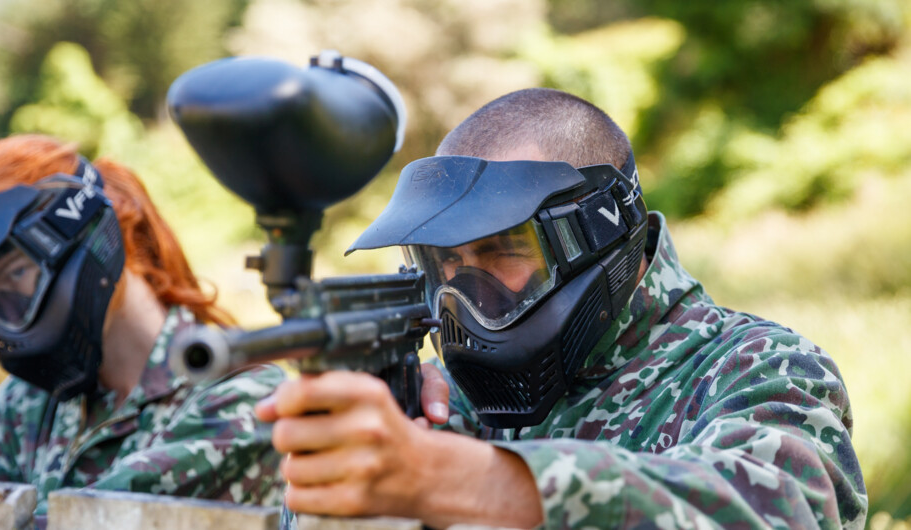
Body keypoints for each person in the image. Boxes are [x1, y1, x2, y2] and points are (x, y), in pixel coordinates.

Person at [256, 88, 867, 528]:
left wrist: (455, 478)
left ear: (599, 232)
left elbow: (779, 511)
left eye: (502, 250)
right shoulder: (453, 411)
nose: (466, 294)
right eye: (445, 262)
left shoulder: (760, 367)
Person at [0, 135, 286, 520]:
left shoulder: (245, 402)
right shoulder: (30, 404)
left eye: (17, 273)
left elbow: (90, 520)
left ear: (95, 235)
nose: (5, 320)